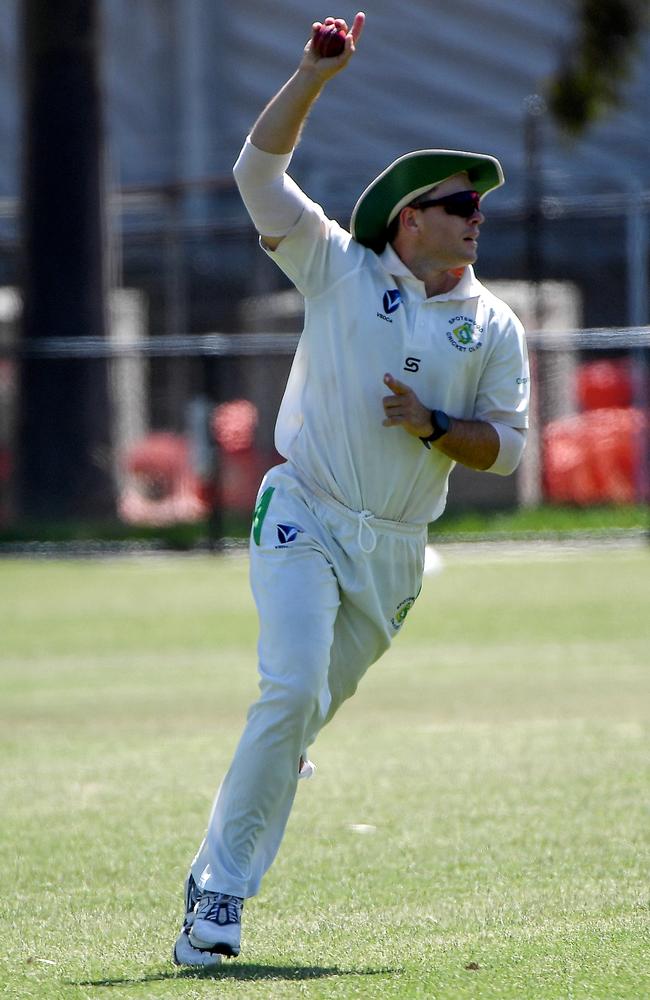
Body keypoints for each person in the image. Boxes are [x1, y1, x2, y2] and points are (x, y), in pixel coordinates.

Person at [173, 11, 530, 968]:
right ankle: (216, 901)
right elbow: (256, 175)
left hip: (396, 554)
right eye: (460, 202)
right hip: (304, 511)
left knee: (291, 728)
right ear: (410, 213)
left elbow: (508, 452)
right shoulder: (337, 265)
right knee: (286, 692)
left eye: (480, 207)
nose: (476, 217)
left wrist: (435, 428)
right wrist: (312, 75)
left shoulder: (494, 325)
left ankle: (226, 849)